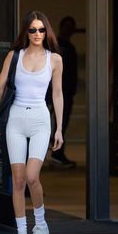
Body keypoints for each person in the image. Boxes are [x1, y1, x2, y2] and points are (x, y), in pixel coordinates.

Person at [0, 11, 63, 234]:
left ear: (46, 31)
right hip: (16, 120)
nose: (37, 34)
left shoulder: (55, 59)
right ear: (26, 32)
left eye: (41, 30)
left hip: (41, 120)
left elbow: (57, 94)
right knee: (18, 180)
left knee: (32, 177)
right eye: (32, 30)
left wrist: (59, 128)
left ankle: (40, 227)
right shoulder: (14, 56)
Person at [48, 16, 78, 168]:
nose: (68, 29)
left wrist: (72, 90)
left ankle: (57, 153)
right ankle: (54, 153)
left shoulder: (70, 48)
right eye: (66, 26)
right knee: (49, 123)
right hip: (52, 92)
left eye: (71, 27)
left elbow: (73, 72)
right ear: (60, 27)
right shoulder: (54, 45)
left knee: (61, 124)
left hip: (66, 92)